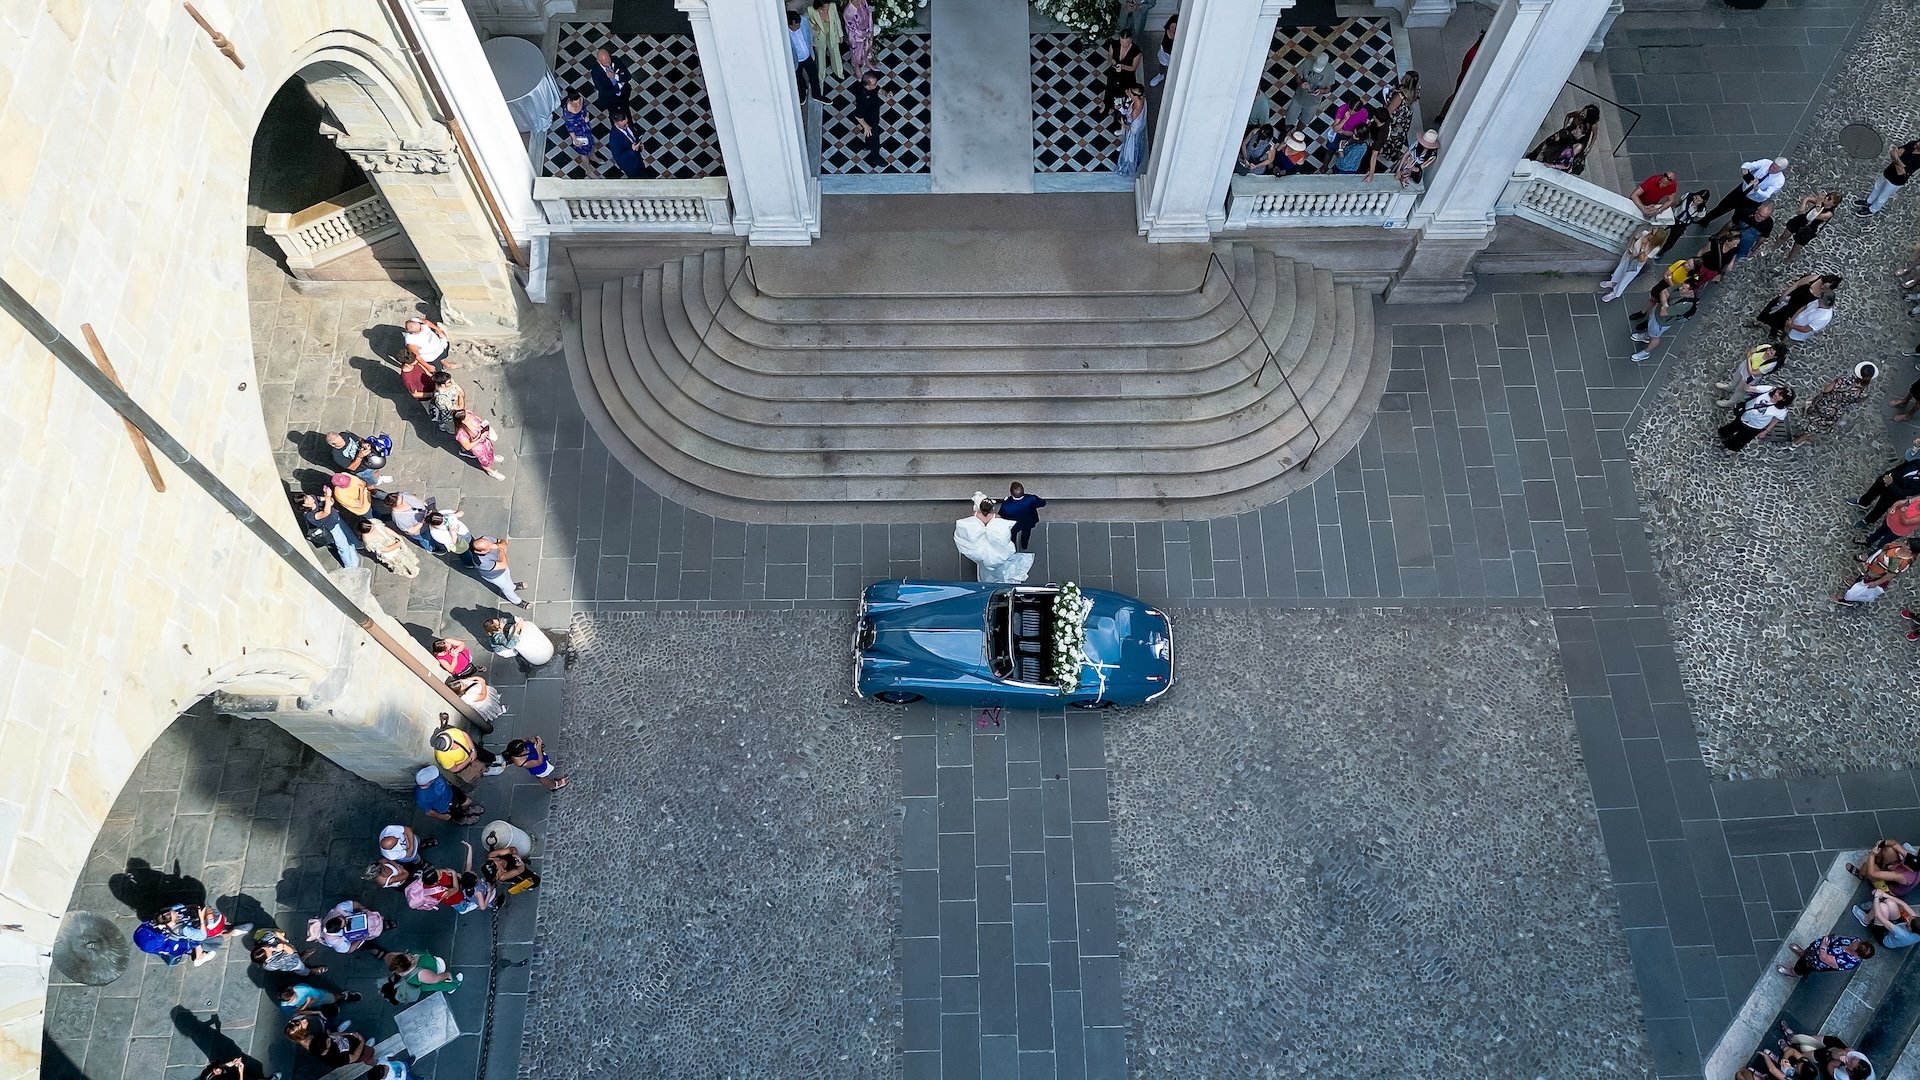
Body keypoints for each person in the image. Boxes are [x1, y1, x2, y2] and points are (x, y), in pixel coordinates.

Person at [954, 493, 1034, 584]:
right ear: (991, 508)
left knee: (983, 561)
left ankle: (985, 577)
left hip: (981, 543)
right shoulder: (996, 516)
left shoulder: (975, 514)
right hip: (993, 543)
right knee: (996, 562)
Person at [1794, 362, 1876, 446]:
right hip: (1835, 411)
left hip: (1823, 403)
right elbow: (1857, 402)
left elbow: (1826, 390)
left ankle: (1796, 442)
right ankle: (1801, 437)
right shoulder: (1865, 392)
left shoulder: (1844, 380)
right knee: (1818, 425)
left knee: (1811, 417)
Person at [1629, 273, 1697, 362]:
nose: (1680, 288)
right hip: (1657, 313)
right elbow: (1663, 291)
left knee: (1655, 337)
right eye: (1682, 286)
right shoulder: (1679, 289)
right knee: (1651, 330)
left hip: (1661, 322)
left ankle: (1646, 353)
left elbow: (1663, 313)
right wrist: (1665, 304)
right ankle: (1646, 336)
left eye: (1684, 288)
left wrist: (1664, 303)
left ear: (1690, 291)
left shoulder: (1685, 304)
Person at [1703, 155, 1789, 226]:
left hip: (1752, 201)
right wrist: (1745, 169)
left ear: (1780, 170)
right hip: (1741, 190)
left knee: (1738, 218)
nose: (1771, 168)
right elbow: (1750, 165)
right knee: (1723, 206)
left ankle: (1725, 233)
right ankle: (1705, 220)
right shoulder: (1766, 162)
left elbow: (1766, 194)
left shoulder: (1779, 181)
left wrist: (1757, 188)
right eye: (1772, 165)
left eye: (1775, 168)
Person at [1755, 273, 1840, 337]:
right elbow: (1796, 284)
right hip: (1789, 299)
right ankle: (1758, 321)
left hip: (1797, 308)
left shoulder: (1824, 295)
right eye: (1822, 284)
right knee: (1771, 309)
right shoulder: (1814, 278)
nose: (1822, 287)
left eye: (1825, 288)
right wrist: (1783, 296)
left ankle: (1774, 330)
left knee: (1783, 320)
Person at [1834, 539, 1913, 607]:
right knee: (1861, 578)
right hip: (1872, 568)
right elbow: (1882, 551)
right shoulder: (1897, 546)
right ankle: (1855, 583)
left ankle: (1847, 600)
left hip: (1876, 575)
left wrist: (1876, 583)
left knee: (1861, 589)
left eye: (1906, 544)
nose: (1904, 542)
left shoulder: (1900, 562)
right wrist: (1869, 561)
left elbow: (1890, 575)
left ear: (1910, 550)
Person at [1766, 191, 1839, 262]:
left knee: (1796, 248)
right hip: (1802, 220)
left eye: (1829, 198)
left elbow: (1815, 216)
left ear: (1833, 204)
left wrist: (1819, 202)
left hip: (1809, 229)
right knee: (1784, 236)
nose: (1826, 198)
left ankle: (1787, 261)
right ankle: (1772, 249)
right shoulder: (1820, 202)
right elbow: (1807, 198)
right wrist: (1803, 206)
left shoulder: (1829, 213)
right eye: (1827, 196)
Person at [1601, 227, 1668, 303]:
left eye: (1652, 233)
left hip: (1636, 263)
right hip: (1630, 255)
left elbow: (1642, 259)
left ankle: (1616, 293)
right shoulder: (1645, 233)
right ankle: (1613, 282)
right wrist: (1631, 247)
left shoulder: (1655, 248)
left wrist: (1643, 246)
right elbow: (1635, 238)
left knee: (1626, 277)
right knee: (1620, 268)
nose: (1649, 232)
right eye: (1652, 230)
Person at [1857, 135, 1920, 216]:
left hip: (1896, 181)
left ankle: (1872, 210)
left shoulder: (1918, 161)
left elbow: (1901, 172)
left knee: (1883, 196)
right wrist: (1899, 161)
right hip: (1888, 172)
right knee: (1877, 187)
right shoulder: (1912, 144)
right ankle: (1869, 202)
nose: (1917, 143)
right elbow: (1893, 151)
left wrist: (1896, 158)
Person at [1848, 456, 1920, 525]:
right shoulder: (1917, 462)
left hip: (1894, 494)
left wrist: (1890, 484)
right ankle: (1863, 502)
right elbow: (1900, 468)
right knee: (1873, 490)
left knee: (1880, 508)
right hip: (1888, 479)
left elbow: (1904, 493)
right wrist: (1888, 474)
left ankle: (1868, 520)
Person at [1718, 386, 1792, 452]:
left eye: (1780, 395)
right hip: (1744, 415)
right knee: (1733, 426)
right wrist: (1747, 383)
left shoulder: (1782, 410)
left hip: (1755, 426)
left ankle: (1732, 448)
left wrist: (1766, 431)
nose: (1776, 394)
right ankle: (1723, 434)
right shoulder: (1769, 389)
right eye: (1778, 391)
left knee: (1742, 438)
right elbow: (1752, 388)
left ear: (1783, 400)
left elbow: (1776, 420)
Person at [298, 489, 359, 569]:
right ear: (305, 505)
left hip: (336, 518)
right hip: (331, 527)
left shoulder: (313, 498)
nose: (310, 498)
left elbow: (328, 500)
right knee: (342, 545)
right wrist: (328, 498)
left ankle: (355, 545)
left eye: (307, 496)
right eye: (307, 499)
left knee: (348, 533)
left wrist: (328, 498)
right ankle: (350, 565)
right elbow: (325, 513)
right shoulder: (310, 516)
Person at [1713, 342, 1785, 408]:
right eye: (1770, 349)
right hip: (1744, 367)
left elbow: (1752, 372)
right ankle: (1729, 387)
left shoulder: (1771, 364)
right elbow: (1751, 351)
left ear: (1775, 357)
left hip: (1750, 377)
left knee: (1740, 390)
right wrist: (1749, 361)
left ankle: (1730, 403)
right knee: (1735, 378)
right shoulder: (1765, 347)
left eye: (1771, 353)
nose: (1768, 352)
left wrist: (1748, 359)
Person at [465, 535, 529, 608]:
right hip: (495, 576)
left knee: (508, 576)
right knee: (506, 588)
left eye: (490, 544)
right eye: (489, 548)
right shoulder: (481, 562)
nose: (492, 546)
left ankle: (513, 586)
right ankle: (517, 601)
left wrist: (498, 545)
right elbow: (503, 564)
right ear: (482, 551)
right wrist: (500, 548)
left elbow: (503, 541)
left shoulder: (485, 539)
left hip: (501, 566)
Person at [1776, 933, 1874, 977]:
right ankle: (1802, 953)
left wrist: (1823, 945)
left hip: (1815, 960)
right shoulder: (1856, 940)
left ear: (1856, 953)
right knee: (1808, 951)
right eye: (1858, 942)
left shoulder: (1846, 962)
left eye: (1855, 945)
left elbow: (1824, 958)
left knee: (1801, 966)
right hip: (1817, 948)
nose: (1854, 942)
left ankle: (1792, 972)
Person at [415, 765, 485, 825]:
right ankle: (462, 820)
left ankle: (467, 810)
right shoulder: (422, 797)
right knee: (457, 815)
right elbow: (429, 812)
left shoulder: (435, 777)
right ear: (428, 782)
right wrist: (442, 816)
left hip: (452, 791)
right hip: (447, 806)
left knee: (467, 802)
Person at [482, 614, 557, 669]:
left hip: (504, 638)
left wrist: (516, 620)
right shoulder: (498, 637)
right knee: (514, 652)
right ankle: (518, 656)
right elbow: (510, 645)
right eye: (499, 623)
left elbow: (507, 620)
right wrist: (517, 630)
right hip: (504, 650)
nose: (501, 622)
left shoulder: (500, 625)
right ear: (498, 629)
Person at [1849, 838, 1920, 896]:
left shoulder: (1903, 877)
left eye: (1903, 861)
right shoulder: (1912, 861)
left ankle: (1861, 875)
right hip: (1895, 870)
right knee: (1888, 849)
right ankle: (1878, 863)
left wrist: (1872, 855)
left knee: (1867, 866)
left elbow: (1873, 873)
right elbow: (1895, 844)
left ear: (1909, 869)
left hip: (1889, 888)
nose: (1903, 858)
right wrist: (1883, 842)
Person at [450, 409, 507, 481]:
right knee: (485, 461)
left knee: (490, 449)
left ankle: (493, 457)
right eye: (466, 416)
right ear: (462, 421)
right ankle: (491, 472)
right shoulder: (461, 434)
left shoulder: (468, 414)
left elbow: (477, 418)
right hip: (479, 448)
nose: (469, 415)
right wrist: (480, 438)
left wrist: (484, 425)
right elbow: (467, 446)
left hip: (485, 441)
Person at [1657, 188, 1713, 258]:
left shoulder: (1701, 211)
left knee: (1671, 240)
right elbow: (1678, 202)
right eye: (1695, 197)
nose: (1695, 200)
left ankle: (1661, 253)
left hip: (1682, 225)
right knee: (1659, 231)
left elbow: (1697, 219)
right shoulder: (1687, 196)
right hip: (1673, 217)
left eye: (1698, 200)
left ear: (1703, 201)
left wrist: (1688, 221)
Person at [1376, 71, 1418, 162]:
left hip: (1394, 120)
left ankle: (1379, 151)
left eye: (1404, 77)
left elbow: (1389, 110)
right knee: (1398, 136)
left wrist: (1385, 100)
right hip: (1403, 120)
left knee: (1387, 136)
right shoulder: (1414, 91)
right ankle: (1392, 152)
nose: (1402, 77)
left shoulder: (1400, 95)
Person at [848, 72, 887, 169]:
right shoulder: (863, 99)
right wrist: (866, 126)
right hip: (869, 121)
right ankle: (876, 158)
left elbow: (878, 89)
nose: (876, 85)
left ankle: (868, 145)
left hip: (873, 115)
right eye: (874, 84)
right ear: (867, 86)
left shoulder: (872, 88)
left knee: (869, 135)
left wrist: (886, 93)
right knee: (875, 139)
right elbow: (858, 116)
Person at [1099, 29, 1140, 120]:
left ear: (1130, 40)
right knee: (1110, 89)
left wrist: (1123, 66)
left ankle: (1119, 112)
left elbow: (1133, 68)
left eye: (1126, 43)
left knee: (1123, 93)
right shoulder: (1114, 44)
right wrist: (1113, 62)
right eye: (1122, 42)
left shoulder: (1136, 51)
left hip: (1127, 76)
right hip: (1114, 72)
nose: (1124, 45)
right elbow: (1110, 57)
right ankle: (1106, 106)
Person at [249, 927, 324, 975]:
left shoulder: (263, 942)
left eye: (265, 947)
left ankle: (302, 957)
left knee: (297, 957)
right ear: (266, 958)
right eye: (269, 951)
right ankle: (310, 971)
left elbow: (275, 933)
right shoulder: (271, 965)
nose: (270, 947)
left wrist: (284, 941)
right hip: (292, 963)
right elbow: (291, 952)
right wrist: (283, 946)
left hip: (292, 953)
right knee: (301, 968)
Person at [326, 431, 391, 487]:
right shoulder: (337, 455)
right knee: (371, 479)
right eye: (340, 443)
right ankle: (374, 483)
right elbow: (352, 468)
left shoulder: (344, 435)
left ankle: (378, 477)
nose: (344, 443)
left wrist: (363, 443)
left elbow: (358, 439)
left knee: (375, 470)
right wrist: (360, 456)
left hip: (368, 459)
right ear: (333, 445)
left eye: (342, 439)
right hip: (362, 470)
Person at [388, 949, 463, 994]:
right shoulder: (421, 974)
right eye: (411, 957)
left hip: (428, 975)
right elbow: (435, 979)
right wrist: (447, 975)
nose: (411, 955)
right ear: (410, 965)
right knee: (444, 983)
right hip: (431, 978)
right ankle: (453, 986)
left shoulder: (401, 967)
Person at [998, 482, 1046, 551]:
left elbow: (1001, 515)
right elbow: (1042, 503)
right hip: (1028, 522)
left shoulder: (1006, 505)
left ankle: (1013, 547)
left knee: (1012, 536)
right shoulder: (1032, 499)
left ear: (1011, 493)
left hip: (1014, 525)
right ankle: (1024, 545)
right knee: (1026, 534)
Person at [607, 111, 654, 180]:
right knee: (636, 178)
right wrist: (632, 150)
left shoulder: (626, 125)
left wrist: (639, 143)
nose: (627, 125)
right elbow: (618, 156)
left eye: (627, 122)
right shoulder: (614, 138)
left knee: (642, 171)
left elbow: (632, 135)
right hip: (629, 164)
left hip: (637, 158)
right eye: (624, 125)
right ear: (616, 122)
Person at [559, 91, 596, 174]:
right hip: (578, 133)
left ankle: (593, 156)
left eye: (578, 102)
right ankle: (588, 170)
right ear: (570, 101)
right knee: (583, 152)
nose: (577, 105)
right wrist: (575, 140)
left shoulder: (581, 100)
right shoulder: (568, 114)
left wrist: (586, 116)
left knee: (591, 142)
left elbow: (585, 109)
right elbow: (570, 129)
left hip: (586, 128)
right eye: (575, 104)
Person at [1115, 86, 1148, 178]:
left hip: (1132, 133)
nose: (1127, 93)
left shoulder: (1135, 112)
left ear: (1134, 96)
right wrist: (1121, 109)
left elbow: (1133, 128)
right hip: (1134, 129)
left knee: (1130, 150)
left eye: (1129, 92)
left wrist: (1122, 123)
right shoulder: (1141, 100)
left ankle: (1126, 167)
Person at [787, 11, 820, 103]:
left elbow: (809, 34)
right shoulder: (783, 32)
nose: (798, 27)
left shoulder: (804, 21)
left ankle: (816, 95)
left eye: (798, 24)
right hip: (796, 59)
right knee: (799, 78)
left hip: (808, 55)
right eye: (795, 26)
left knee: (814, 75)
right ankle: (802, 94)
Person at [808, 0, 844, 81]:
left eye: (827, 6)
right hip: (820, 37)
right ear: (818, 6)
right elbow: (805, 21)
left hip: (832, 35)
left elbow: (837, 20)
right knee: (820, 59)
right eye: (824, 7)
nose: (827, 8)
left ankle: (839, 73)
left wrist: (840, 35)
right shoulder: (811, 10)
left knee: (836, 54)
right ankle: (821, 77)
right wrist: (813, 26)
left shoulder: (833, 6)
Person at [588, 46, 630, 113]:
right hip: (610, 98)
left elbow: (628, 76)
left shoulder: (616, 59)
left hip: (624, 94)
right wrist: (618, 88)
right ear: (598, 61)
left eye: (609, 61)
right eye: (604, 63)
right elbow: (602, 90)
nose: (608, 64)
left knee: (626, 110)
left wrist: (615, 76)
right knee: (613, 114)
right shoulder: (595, 72)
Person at [843, 0, 874, 77]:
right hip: (855, 36)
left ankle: (867, 62)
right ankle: (856, 67)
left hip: (866, 31)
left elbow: (868, 14)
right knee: (856, 53)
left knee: (867, 48)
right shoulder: (848, 12)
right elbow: (853, 28)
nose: (859, 1)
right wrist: (865, 34)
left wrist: (870, 29)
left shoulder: (863, 1)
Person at [1148, 14, 1176, 88]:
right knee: (1162, 63)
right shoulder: (1168, 31)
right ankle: (1160, 75)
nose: (1173, 29)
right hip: (1165, 51)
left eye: (1175, 28)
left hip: (1175, 54)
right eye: (1172, 26)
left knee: (1174, 67)